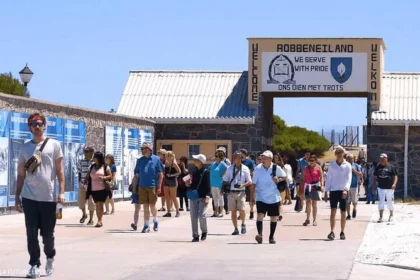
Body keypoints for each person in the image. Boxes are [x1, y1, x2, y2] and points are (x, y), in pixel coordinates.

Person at [14, 112, 65, 278]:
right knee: (31, 232)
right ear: (29, 127)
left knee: (48, 234)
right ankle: (34, 264)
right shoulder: (25, 147)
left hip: (48, 197)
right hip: (29, 197)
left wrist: (62, 192)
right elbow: (21, 174)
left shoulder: (54, 145)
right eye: (33, 124)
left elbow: (60, 171)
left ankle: (50, 256)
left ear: (44, 126)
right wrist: (17, 196)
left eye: (39, 124)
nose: (37, 127)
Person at [252, 150, 286, 244]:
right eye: (262, 157)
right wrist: (252, 196)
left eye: (265, 157)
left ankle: (271, 237)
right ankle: (260, 235)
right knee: (260, 215)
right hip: (261, 196)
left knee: (274, 217)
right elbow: (253, 183)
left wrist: (278, 179)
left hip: (273, 196)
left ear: (270, 159)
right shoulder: (258, 169)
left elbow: (285, 176)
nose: (263, 159)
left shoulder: (276, 167)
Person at [133, 142, 163, 233]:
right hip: (142, 186)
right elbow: (136, 175)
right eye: (141, 149)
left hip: (152, 186)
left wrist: (159, 187)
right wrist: (134, 187)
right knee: (145, 206)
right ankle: (146, 225)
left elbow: (161, 174)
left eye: (143, 148)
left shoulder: (156, 159)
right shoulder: (140, 160)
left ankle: (155, 219)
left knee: (152, 206)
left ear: (149, 149)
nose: (142, 150)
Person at [324, 146, 352, 241]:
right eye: (338, 152)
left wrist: (346, 189)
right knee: (333, 211)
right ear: (335, 154)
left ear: (343, 154)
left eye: (341, 152)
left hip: (343, 190)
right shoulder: (332, 165)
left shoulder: (347, 165)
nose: (340, 154)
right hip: (333, 190)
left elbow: (349, 178)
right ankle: (332, 231)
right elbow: (328, 179)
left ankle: (342, 231)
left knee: (343, 212)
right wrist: (326, 191)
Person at [223, 151, 252, 235]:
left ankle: (243, 224)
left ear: (241, 159)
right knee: (233, 211)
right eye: (234, 158)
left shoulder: (245, 168)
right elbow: (225, 180)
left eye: (238, 157)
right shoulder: (229, 168)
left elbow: (250, 181)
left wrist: (242, 184)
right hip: (231, 192)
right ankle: (236, 228)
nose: (236, 159)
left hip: (241, 192)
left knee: (242, 210)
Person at [185, 154, 211, 242]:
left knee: (202, 216)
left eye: (196, 160)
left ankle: (204, 231)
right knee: (193, 217)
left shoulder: (206, 172)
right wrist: (188, 184)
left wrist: (208, 196)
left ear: (200, 162)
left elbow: (208, 185)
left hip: (202, 197)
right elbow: (192, 184)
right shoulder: (194, 171)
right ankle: (195, 235)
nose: (194, 161)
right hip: (194, 197)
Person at [86, 152, 112, 228]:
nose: (93, 158)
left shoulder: (105, 167)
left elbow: (110, 176)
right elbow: (88, 176)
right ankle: (99, 219)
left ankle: (99, 221)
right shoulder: (91, 167)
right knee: (97, 205)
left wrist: (104, 178)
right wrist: (84, 184)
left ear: (98, 158)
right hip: (93, 189)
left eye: (94, 157)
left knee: (100, 204)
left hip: (103, 189)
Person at [372, 154, 398, 223]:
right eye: (380, 159)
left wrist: (394, 184)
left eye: (383, 159)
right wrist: (374, 187)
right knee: (381, 202)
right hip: (381, 188)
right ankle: (380, 217)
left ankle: (391, 216)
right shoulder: (378, 167)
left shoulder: (391, 167)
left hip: (390, 188)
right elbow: (375, 177)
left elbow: (395, 176)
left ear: (386, 158)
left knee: (390, 202)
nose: (381, 160)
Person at [301, 154, 324, 226]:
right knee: (308, 202)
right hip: (308, 186)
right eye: (310, 160)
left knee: (314, 203)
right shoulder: (306, 168)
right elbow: (303, 179)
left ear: (315, 161)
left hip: (315, 186)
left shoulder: (318, 167)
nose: (311, 162)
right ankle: (307, 219)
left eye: (312, 161)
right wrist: (301, 189)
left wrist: (322, 185)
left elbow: (321, 177)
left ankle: (314, 220)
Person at [77, 146, 95, 225]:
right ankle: (84, 214)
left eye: (88, 152)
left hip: (91, 185)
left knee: (91, 202)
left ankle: (91, 219)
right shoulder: (81, 161)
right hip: (82, 184)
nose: (86, 154)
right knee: (81, 202)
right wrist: (80, 183)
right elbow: (79, 173)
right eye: (85, 152)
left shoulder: (94, 163)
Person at [210, 150, 228, 217]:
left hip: (219, 183)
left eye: (217, 156)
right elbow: (210, 170)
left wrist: (222, 175)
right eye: (215, 156)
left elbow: (227, 169)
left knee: (220, 198)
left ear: (220, 157)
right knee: (215, 198)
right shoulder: (213, 164)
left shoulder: (222, 164)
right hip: (213, 183)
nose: (215, 157)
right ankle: (215, 212)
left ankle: (221, 212)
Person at [163, 151, 181, 217]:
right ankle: (168, 212)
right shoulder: (166, 162)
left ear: (169, 156)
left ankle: (177, 211)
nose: (165, 157)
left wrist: (172, 175)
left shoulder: (174, 164)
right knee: (167, 197)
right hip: (166, 180)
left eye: (166, 155)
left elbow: (179, 172)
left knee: (173, 197)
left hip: (173, 181)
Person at [240, 149, 256, 219]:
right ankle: (241, 213)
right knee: (240, 199)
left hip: (249, 183)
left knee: (250, 199)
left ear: (244, 154)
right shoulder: (239, 161)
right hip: (241, 183)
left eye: (241, 153)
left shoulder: (250, 162)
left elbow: (253, 171)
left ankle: (251, 211)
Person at [346, 154, 362, 220]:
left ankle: (354, 209)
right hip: (346, 186)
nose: (351, 159)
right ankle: (348, 214)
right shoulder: (344, 165)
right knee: (347, 201)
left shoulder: (356, 165)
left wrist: (354, 171)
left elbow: (360, 174)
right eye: (350, 158)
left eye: (352, 158)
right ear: (347, 159)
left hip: (354, 185)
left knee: (354, 201)